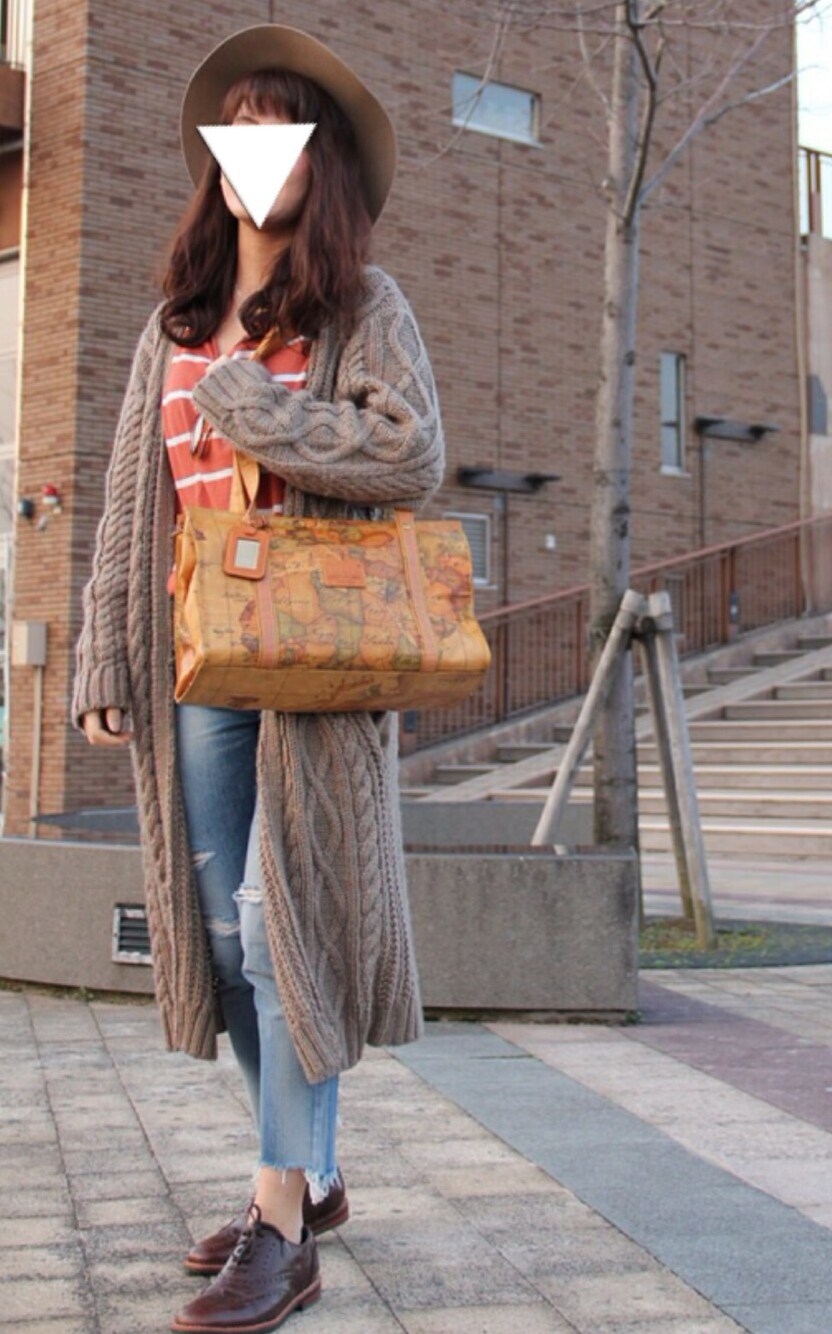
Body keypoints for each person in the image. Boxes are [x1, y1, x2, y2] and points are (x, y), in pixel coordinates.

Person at [71, 23, 444, 1334]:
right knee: (230, 940)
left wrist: (256, 408)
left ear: (316, 163)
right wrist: (105, 652)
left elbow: (411, 454)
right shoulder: (171, 324)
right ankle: (311, 1170)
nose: (254, 154)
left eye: (280, 133)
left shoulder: (364, 308)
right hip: (196, 667)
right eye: (238, 131)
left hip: (314, 677)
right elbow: (132, 502)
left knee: (286, 932)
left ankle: (280, 1218)